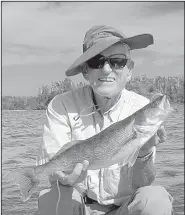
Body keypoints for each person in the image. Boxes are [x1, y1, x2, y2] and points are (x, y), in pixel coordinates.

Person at [36, 25, 174, 215]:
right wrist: (63, 178)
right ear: (85, 71)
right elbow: (54, 172)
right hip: (80, 206)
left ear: (129, 70)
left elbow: (143, 183)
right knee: (51, 199)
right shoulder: (61, 106)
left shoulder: (140, 107)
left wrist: (144, 154)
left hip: (125, 208)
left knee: (155, 199)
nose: (107, 69)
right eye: (96, 61)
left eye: (118, 61)